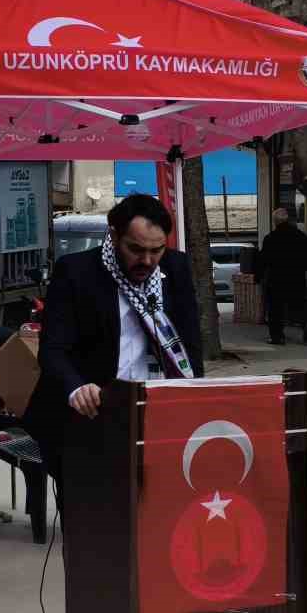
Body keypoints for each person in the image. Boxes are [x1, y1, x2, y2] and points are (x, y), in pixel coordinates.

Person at [25, 193, 203, 478]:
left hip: (156, 411)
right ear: (114, 235)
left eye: (156, 250)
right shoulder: (76, 272)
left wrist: (196, 397)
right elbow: (52, 350)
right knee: (94, 514)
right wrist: (76, 388)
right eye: (136, 249)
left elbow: (190, 343)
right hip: (91, 414)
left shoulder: (175, 267)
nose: (147, 260)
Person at [257, 207, 307, 345]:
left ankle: (277, 336)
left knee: (275, 308)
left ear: (275, 222)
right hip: (297, 277)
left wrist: (258, 276)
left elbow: (263, 259)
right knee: (298, 304)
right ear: (287, 219)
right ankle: (305, 323)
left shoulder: (270, 238)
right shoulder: (301, 237)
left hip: (277, 278)